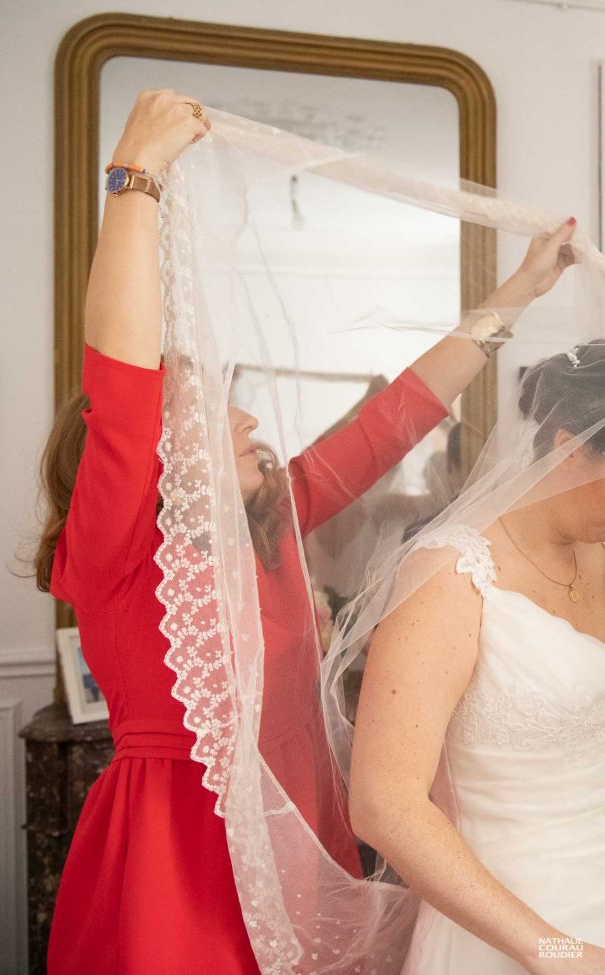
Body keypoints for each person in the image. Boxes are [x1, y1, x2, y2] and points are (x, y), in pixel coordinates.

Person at [35, 89, 577, 974]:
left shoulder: (272, 522)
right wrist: (133, 180)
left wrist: (516, 291)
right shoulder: (117, 549)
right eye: (210, 409)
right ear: (144, 459)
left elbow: (396, 417)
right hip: (179, 851)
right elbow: (121, 376)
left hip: (300, 816)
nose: (247, 419)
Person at [349, 341, 605, 974]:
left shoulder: (597, 549)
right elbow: (384, 804)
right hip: (514, 926)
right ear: (569, 448)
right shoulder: (449, 575)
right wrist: (556, 951)